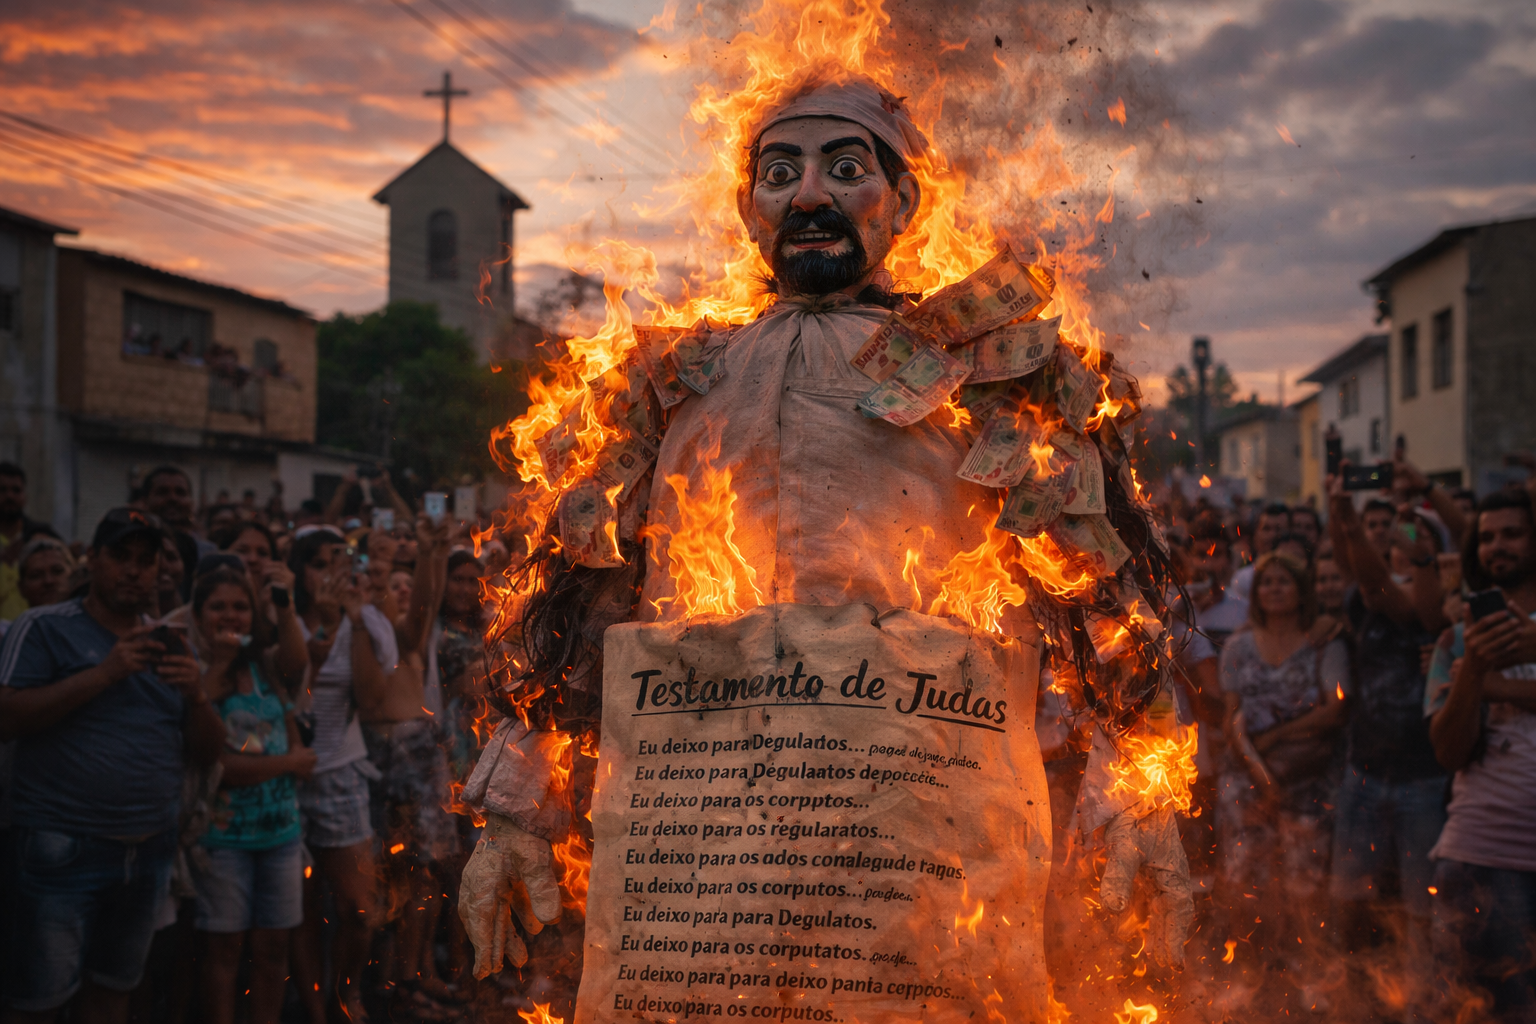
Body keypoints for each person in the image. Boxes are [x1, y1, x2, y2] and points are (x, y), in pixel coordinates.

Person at [0, 508, 224, 1024]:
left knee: (113, 991)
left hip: (146, 851)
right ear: (93, 560)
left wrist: (195, 695)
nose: (134, 570)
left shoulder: (169, 641)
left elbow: (209, 751)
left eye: (146, 561)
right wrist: (104, 673)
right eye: (120, 556)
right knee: (41, 999)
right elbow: (8, 717)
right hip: (61, 848)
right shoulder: (44, 628)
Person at [1325, 472, 1448, 991]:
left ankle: (1421, 998)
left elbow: (1399, 596)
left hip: (1423, 777)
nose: (1394, 542)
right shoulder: (1365, 600)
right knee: (1350, 900)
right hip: (1366, 772)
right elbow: (1364, 573)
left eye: (1408, 541)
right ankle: (1352, 995)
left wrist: (1412, 525)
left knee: (1423, 907)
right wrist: (1342, 513)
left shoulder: (1439, 608)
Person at [1424, 489, 1536, 1020]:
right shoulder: (1454, 643)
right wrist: (1472, 672)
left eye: (1512, 533)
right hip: (1483, 857)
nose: (1498, 546)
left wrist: (1500, 688)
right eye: (1487, 537)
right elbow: (1449, 753)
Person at [186, 567, 314, 1024]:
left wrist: (283, 604)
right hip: (223, 841)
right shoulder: (193, 673)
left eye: (239, 606)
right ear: (197, 615)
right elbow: (218, 767)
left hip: (279, 833)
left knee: (274, 945)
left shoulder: (263, 667)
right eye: (217, 606)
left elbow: (297, 662)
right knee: (224, 949)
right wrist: (288, 764)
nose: (229, 616)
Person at [286, 527, 395, 1024]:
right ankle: (314, 1009)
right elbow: (295, 690)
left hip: (340, 774)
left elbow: (372, 702)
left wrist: (352, 619)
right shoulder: (282, 620)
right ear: (300, 571)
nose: (332, 573)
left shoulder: (365, 620)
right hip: (284, 776)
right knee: (301, 910)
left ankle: (345, 994)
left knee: (358, 908)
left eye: (339, 561)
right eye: (320, 562)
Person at [1218, 552, 1348, 947]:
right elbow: (1232, 715)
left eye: (1284, 581)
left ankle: (1309, 970)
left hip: (1307, 780)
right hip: (1245, 779)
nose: (1275, 589)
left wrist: (1277, 736)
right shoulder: (1239, 646)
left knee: (1304, 879)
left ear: (1301, 590)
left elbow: (1335, 709)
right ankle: (1244, 970)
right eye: (1267, 582)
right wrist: (1257, 770)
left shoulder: (1324, 643)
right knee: (1242, 875)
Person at [358, 521, 462, 1019]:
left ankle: (413, 974)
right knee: (386, 874)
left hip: (418, 756)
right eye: (377, 579)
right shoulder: (357, 627)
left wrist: (431, 554)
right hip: (377, 758)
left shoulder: (406, 636)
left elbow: (424, 604)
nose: (390, 589)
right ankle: (388, 978)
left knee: (424, 872)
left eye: (397, 581)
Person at [0, 463, 60, 621]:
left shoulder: (42, 535)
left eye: (16, 490)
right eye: (2, 490)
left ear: (25, 496)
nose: (9, 496)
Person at [1228, 503, 1291, 602]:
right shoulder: (1243, 578)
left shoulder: (1294, 575)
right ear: (1255, 534)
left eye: (1278, 529)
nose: (1272, 535)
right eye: (1266, 529)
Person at [15, 538, 77, 616]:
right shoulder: (16, 627)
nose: (49, 581)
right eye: (36, 575)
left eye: (57, 571)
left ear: (74, 575)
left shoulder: (94, 625)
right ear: (21, 588)